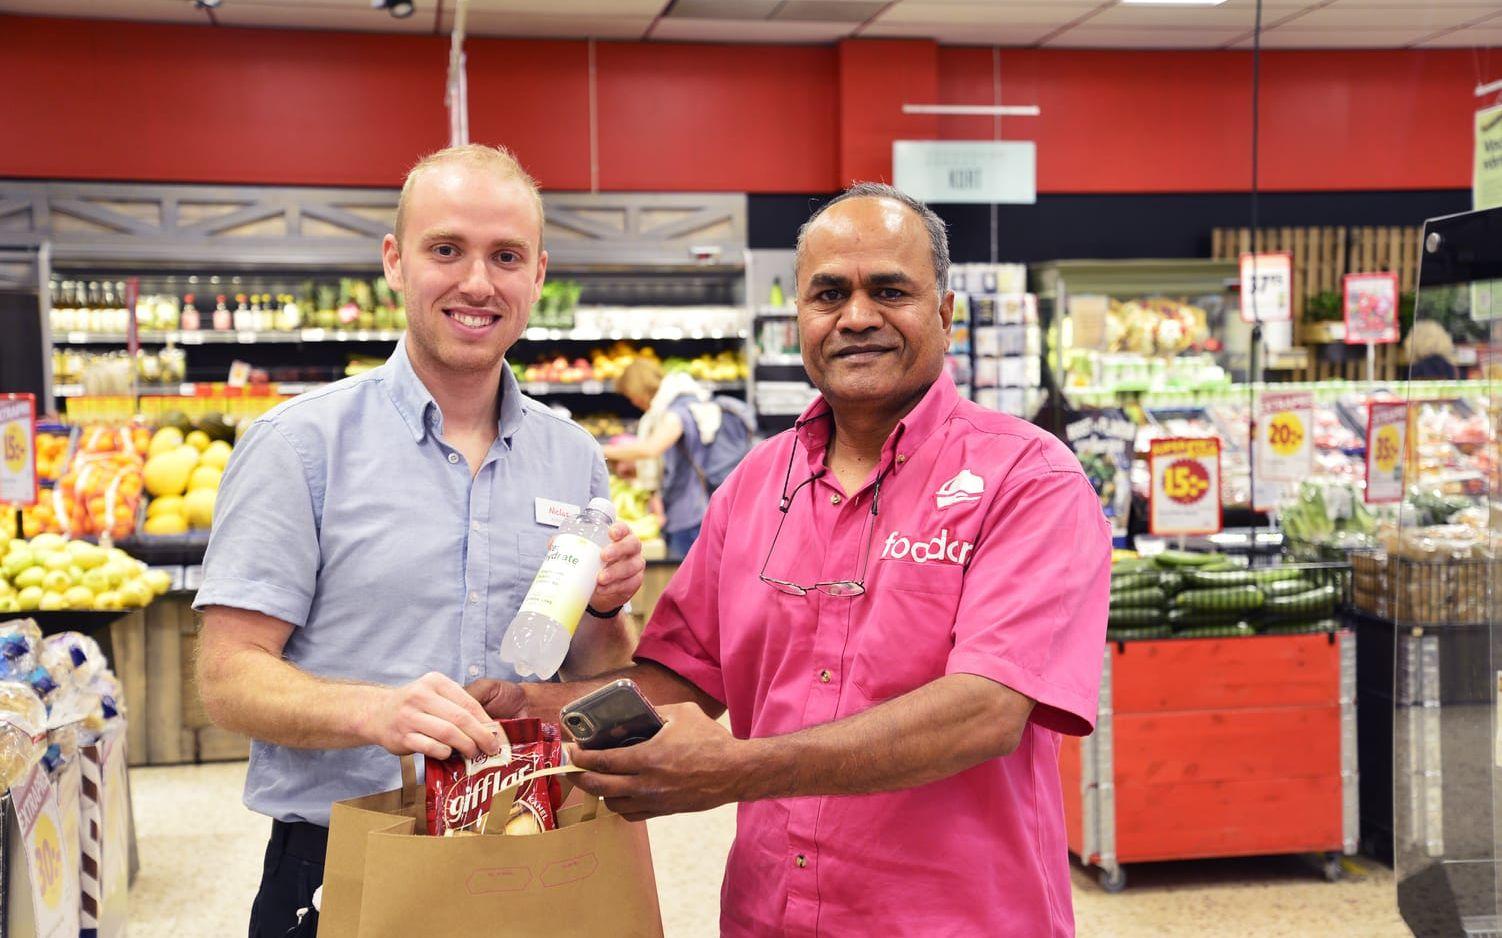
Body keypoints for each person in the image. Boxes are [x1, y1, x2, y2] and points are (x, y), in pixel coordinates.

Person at [469, 182, 1112, 936]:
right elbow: (683, 678)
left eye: (890, 291)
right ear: (799, 319)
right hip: (770, 916)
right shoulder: (755, 485)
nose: (858, 316)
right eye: (829, 294)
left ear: (943, 311)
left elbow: (986, 712)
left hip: (958, 919)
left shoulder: (1028, 478)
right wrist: (534, 709)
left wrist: (738, 767)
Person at [192, 144, 645, 938]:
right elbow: (227, 680)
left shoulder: (572, 455)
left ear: (538, 275)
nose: (477, 283)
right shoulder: (300, 445)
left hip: (527, 844)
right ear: (395, 264)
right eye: (447, 250)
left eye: (506, 256)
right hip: (345, 860)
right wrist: (375, 711)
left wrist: (606, 608)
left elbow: (595, 672)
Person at [600, 358, 716, 559]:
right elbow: (670, 462)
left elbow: (652, 448)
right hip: (682, 509)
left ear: (639, 387)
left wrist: (598, 449)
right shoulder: (671, 408)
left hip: (690, 514)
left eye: (631, 396)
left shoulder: (678, 410)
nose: (633, 402)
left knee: (686, 580)